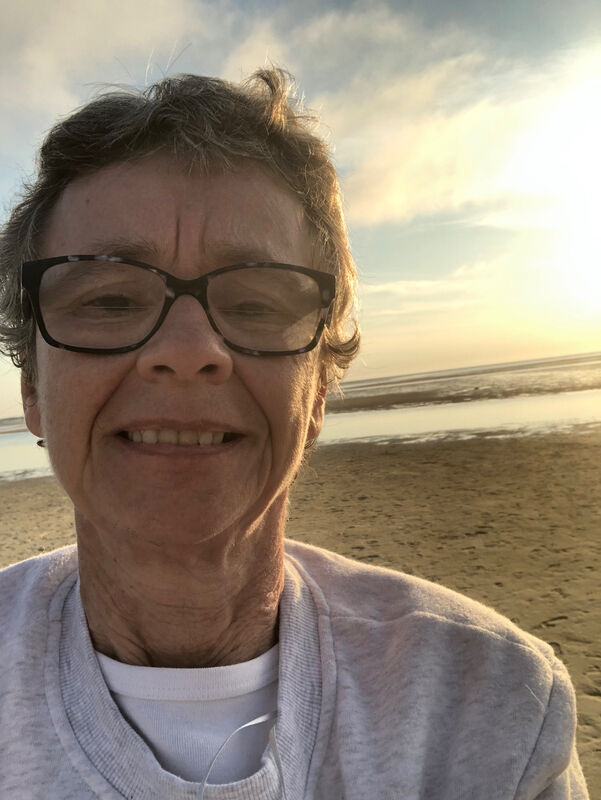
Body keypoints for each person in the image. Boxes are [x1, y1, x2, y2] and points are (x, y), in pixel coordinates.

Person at [0, 68, 589, 799]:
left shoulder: (492, 705)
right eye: (111, 299)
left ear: (319, 389)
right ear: (32, 388)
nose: (187, 350)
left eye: (254, 302)